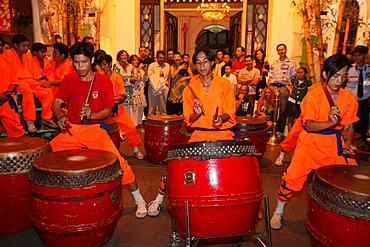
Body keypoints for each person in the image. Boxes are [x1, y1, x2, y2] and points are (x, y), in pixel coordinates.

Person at [50, 42, 148, 218]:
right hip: (71, 129)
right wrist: (60, 116)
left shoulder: (103, 82)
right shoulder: (69, 79)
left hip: (94, 129)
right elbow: (56, 103)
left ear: (92, 60)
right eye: (77, 62)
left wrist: (92, 114)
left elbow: (109, 111)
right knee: (46, 156)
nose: (80, 67)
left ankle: (139, 198)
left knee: (118, 163)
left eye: (84, 62)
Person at [270, 53, 359, 230]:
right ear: (325, 75)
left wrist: (348, 142)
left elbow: (348, 127)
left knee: (350, 178)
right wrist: (330, 122)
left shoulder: (348, 98)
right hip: (310, 143)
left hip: (334, 144)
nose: (339, 80)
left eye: (343, 76)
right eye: (335, 76)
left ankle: (341, 219)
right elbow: (309, 126)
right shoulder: (313, 95)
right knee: (293, 177)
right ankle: (278, 211)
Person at [147, 47, 236, 217]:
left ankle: (242, 204)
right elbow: (189, 119)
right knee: (179, 166)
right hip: (199, 134)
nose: (202, 65)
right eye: (198, 62)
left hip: (223, 133)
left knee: (236, 167)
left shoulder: (224, 83)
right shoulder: (190, 88)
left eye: (205, 61)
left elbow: (230, 110)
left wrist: (221, 118)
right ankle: (159, 198)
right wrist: (196, 113)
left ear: (212, 63)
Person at [2, 34, 57, 132]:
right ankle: (29, 121)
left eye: (27, 46)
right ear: (15, 45)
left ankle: (46, 118)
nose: (27, 48)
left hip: (29, 80)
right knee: (27, 91)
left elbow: (31, 71)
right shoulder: (7, 54)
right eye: (24, 46)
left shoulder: (27, 54)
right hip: (17, 82)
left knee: (47, 91)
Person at [99, 54, 144, 159]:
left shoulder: (117, 77)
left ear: (110, 64)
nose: (103, 67)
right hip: (104, 110)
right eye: (101, 65)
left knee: (131, 128)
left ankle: (136, 150)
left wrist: (110, 99)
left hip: (117, 109)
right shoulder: (100, 78)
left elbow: (122, 96)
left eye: (105, 64)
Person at [268, 43, 297, 136]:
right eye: (279, 50)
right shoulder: (274, 63)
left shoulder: (292, 63)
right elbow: (270, 75)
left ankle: (280, 130)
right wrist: (268, 87)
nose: (281, 51)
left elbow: (293, 77)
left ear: (286, 50)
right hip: (273, 86)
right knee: (271, 107)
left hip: (284, 87)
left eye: (282, 49)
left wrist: (290, 88)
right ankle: (270, 129)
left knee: (283, 109)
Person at [346, 45, 370, 142]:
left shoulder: (369, 70)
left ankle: (360, 151)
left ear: (365, 56)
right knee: (349, 126)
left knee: (362, 128)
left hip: (364, 104)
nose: (357, 57)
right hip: (350, 103)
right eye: (355, 55)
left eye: (359, 55)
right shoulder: (348, 70)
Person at [0, 55, 24, 137]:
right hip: (4, 98)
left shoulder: (7, 60)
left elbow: (14, 81)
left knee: (17, 132)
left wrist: (6, 95)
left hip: (6, 100)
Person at [284, 67, 312, 131]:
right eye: (298, 73)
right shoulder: (294, 81)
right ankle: (289, 134)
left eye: (301, 72)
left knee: (297, 120)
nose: (299, 74)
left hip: (300, 103)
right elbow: (287, 84)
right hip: (291, 101)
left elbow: (309, 92)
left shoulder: (308, 83)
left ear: (305, 74)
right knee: (290, 119)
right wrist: (290, 90)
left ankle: (295, 134)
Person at [113, 50, 135, 118]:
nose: (124, 56)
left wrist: (127, 79)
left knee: (129, 109)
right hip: (120, 89)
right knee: (121, 108)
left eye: (125, 55)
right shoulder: (116, 66)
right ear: (119, 57)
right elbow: (117, 78)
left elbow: (133, 78)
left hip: (130, 90)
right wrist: (128, 79)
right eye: (122, 55)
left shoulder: (131, 66)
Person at [147, 50, 170, 116]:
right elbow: (149, 76)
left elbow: (169, 77)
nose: (162, 59)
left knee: (163, 108)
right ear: (156, 57)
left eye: (163, 58)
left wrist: (168, 87)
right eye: (160, 58)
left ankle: (163, 123)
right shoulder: (152, 65)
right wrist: (158, 74)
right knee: (152, 107)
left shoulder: (167, 65)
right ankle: (151, 123)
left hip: (163, 88)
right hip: (153, 88)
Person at [128, 54, 147, 130]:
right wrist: (139, 68)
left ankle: (139, 123)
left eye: (137, 60)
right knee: (134, 109)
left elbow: (145, 79)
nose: (136, 61)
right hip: (134, 90)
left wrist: (145, 71)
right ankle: (134, 124)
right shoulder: (130, 69)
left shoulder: (141, 70)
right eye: (134, 60)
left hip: (141, 91)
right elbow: (133, 78)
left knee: (141, 108)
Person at [138, 46, 155, 118]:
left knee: (149, 101)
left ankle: (150, 116)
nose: (143, 52)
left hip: (149, 83)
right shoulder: (137, 61)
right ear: (139, 52)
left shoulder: (151, 61)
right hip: (140, 84)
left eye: (144, 50)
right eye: (141, 51)